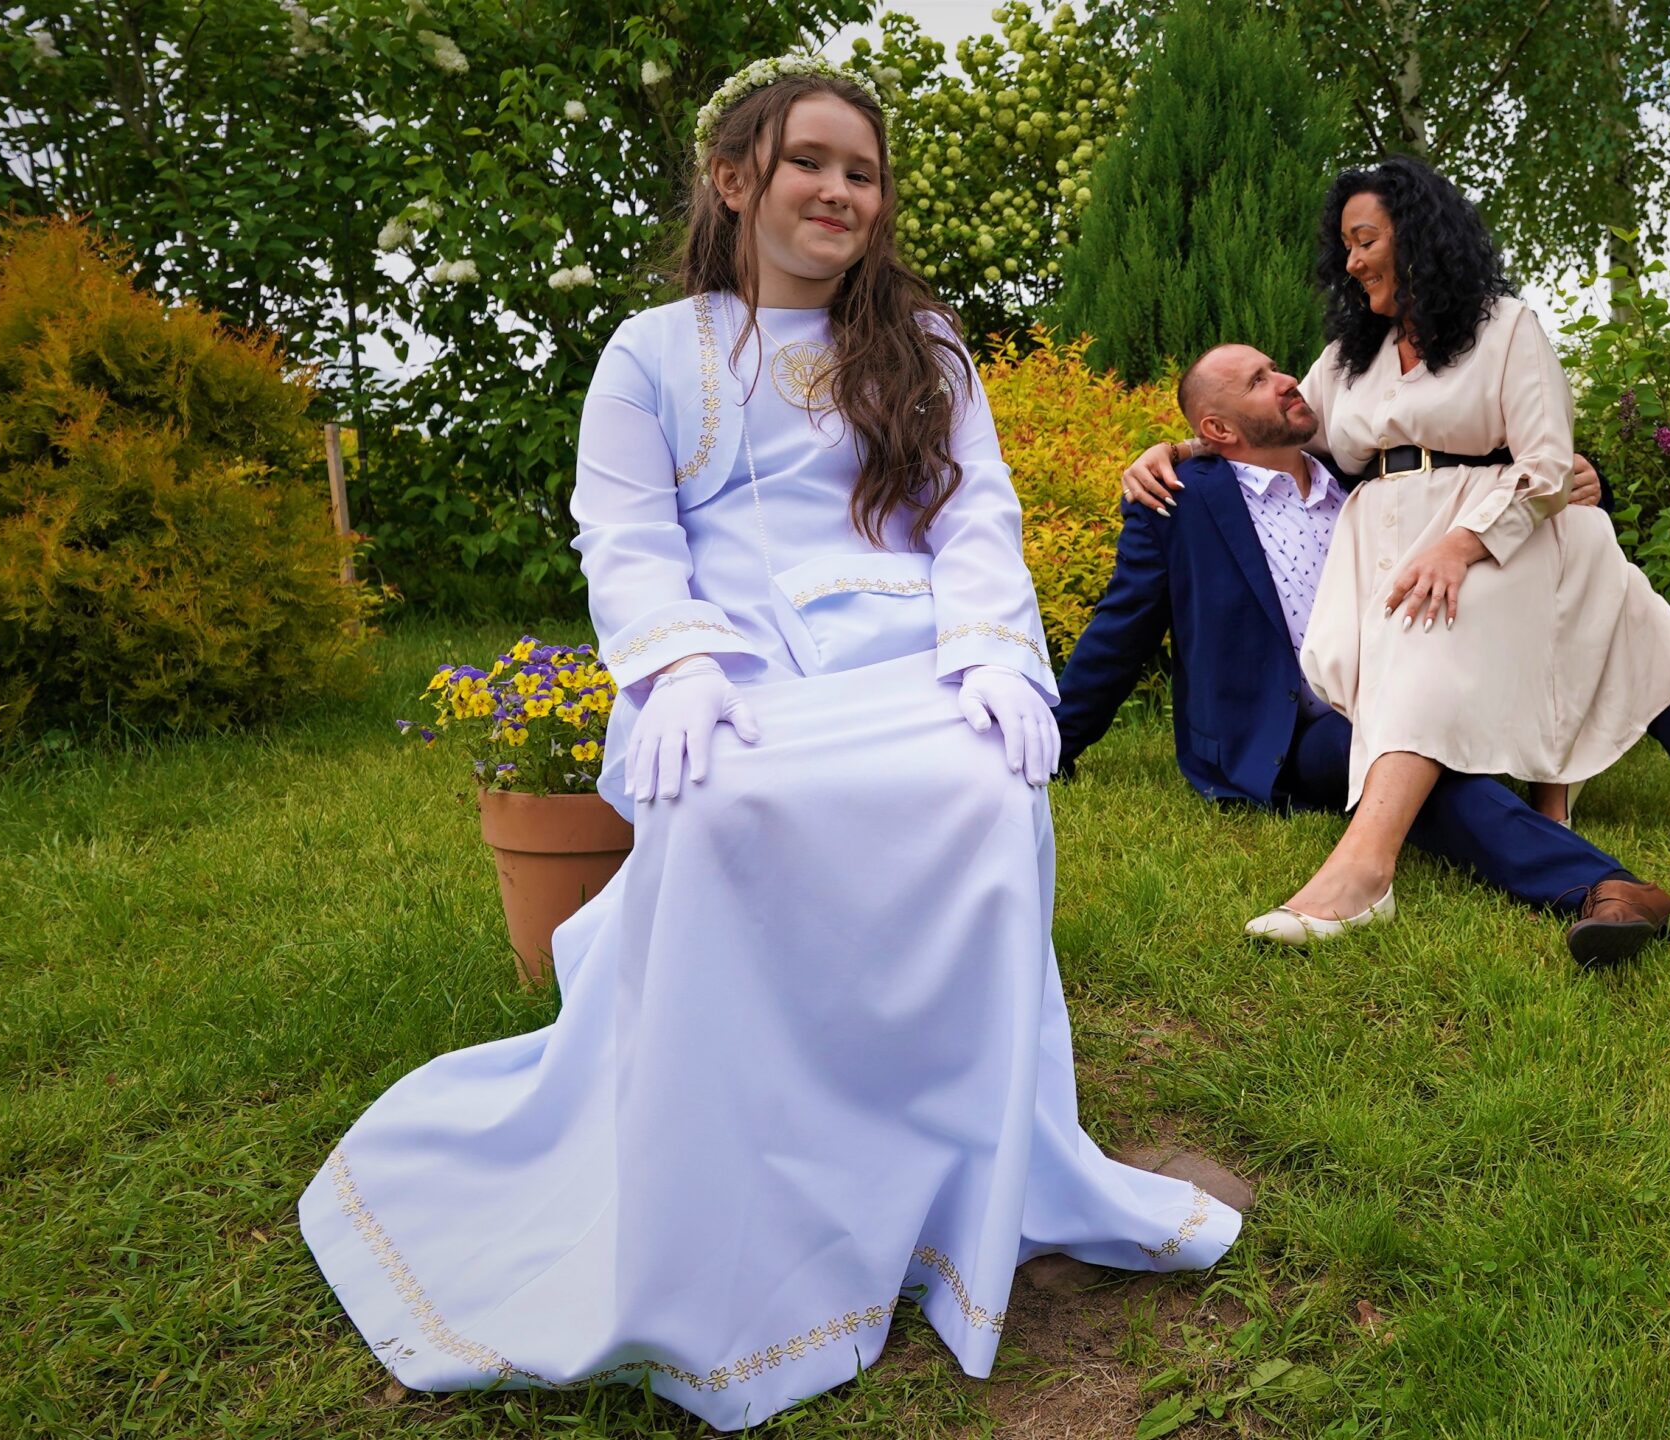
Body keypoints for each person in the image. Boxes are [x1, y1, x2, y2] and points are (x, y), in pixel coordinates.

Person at [298, 58, 1237, 1432]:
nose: (841, 191)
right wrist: (675, 664)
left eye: (864, 172)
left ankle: (946, 1168)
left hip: (911, 659)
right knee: (725, 807)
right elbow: (625, 533)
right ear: (735, 178)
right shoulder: (651, 351)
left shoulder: (924, 347)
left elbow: (978, 514)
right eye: (812, 162)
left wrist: (992, 653)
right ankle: (749, 1169)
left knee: (989, 790)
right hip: (737, 665)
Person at [1118, 157, 1670, 945]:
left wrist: (1460, 545)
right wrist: (1177, 447)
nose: (1352, 262)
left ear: (1417, 238)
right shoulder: (1349, 357)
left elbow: (1547, 463)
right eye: (1345, 247)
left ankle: (1366, 873)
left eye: (1366, 240)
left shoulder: (1504, 327)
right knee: (1621, 613)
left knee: (1577, 605)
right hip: (1386, 549)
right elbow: (1283, 426)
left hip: (1491, 539)